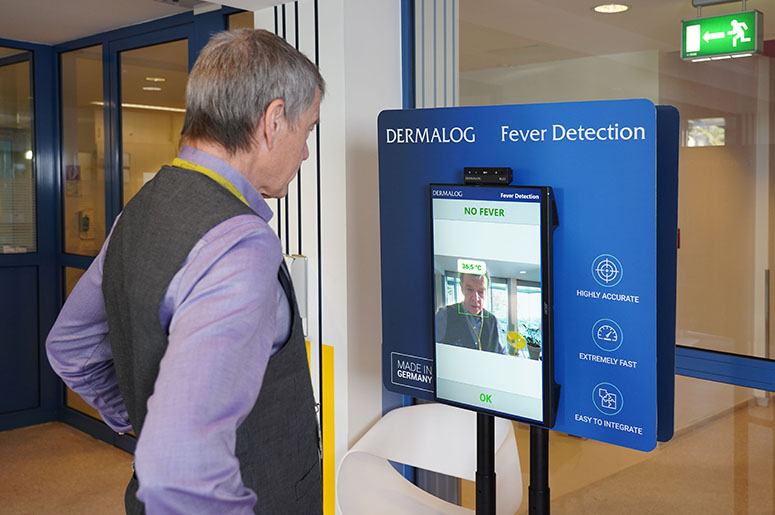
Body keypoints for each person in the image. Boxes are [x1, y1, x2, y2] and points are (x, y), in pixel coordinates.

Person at [45, 29, 324, 514]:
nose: (304, 153)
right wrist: (164, 436)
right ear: (273, 120)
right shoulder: (241, 244)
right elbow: (179, 471)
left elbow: (71, 347)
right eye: (309, 130)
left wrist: (144, 419)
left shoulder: (138, 211)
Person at [435, 272, 505, 354]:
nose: (475, 299)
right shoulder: (445, 315)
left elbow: (503, 356)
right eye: (470, 290)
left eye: (480, 292)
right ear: (461, 287)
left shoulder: (494, 321)